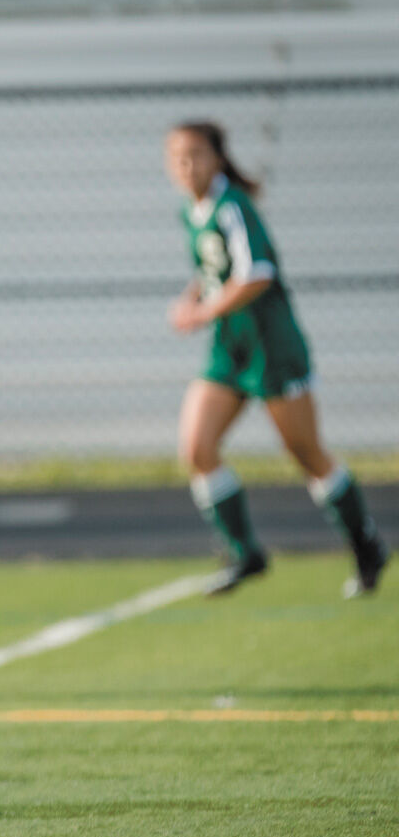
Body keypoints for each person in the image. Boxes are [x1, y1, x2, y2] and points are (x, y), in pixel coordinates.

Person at [164, 121, 388, 597]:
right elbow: (214, 269)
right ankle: (245, 553)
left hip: (271, 347)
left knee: (306, 453)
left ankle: (366, 544)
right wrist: (192, 300)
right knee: (196, 448)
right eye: (178, 158)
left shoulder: (233, 206)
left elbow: (256, 274)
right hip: (230, 347)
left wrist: (202, 311)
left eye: (196, 155)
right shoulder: (191, 210)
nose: (187, 167)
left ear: (217, 158)